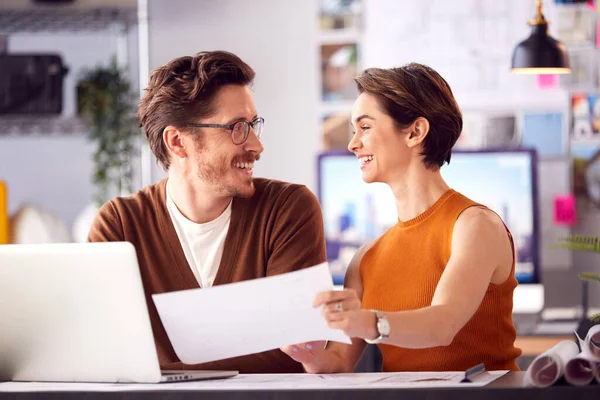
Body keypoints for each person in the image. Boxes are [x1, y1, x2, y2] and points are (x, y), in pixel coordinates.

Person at [88, 50, 326, 373]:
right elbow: (102, 353)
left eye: (253, 125)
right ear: (177, 142)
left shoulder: (287, 211)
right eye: (237, 127)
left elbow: (296, 351)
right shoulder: (119, 226)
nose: (256, 145)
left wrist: (162, 365)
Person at [282, 63, 522, 373]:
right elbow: (339, 362)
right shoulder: (365, 258)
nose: (353, 143)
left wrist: (369, 321)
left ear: (414, 132)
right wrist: (307, 354)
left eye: (365, 127)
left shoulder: (475, 225)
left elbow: (442, 324)